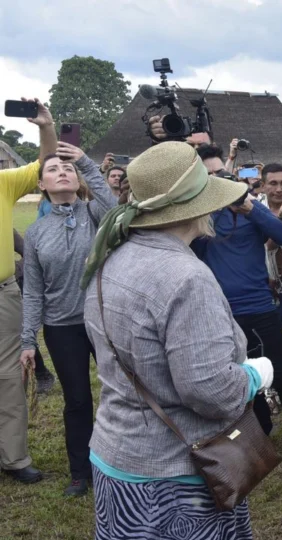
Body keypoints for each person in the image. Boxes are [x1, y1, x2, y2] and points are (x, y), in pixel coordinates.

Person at [80, 141, 274, 539]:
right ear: (198, 207)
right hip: (173, 473)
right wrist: (256, 375)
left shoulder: (111, 256)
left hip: (116, 454)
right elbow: (210, 391)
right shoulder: (186, 277)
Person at [192, 158, 282, 476]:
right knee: (239, 379)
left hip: (259, 307)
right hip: (222, 312)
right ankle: (259, 432)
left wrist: (251, 207)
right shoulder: (202, 218)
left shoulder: (250, 213)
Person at [20, 142, 118, 496]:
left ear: (78, 180)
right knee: (77, 400)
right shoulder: (35, 233)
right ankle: (81, 472)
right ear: (42, 185)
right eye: (52, 170)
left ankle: (123, 459)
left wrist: (88, 165)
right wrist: (29, 339)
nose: (62, 172)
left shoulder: (95, 213)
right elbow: (33, 291)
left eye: (68, 169)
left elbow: (115, 209)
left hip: (103, 319)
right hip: (61, 328)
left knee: (120, 390)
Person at [1, 98, 56, 486]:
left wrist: (45, 126)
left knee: (9, 377)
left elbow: (45, 164)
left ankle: (14, 457)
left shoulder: (2, 183)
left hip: (4, 294)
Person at [12, 230, 54, 394]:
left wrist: (15, 270)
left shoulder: (4, 227)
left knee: (22, 333)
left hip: (10, 288)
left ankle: (42, 374)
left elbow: (27, 253)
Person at [259, 163, 282, 321]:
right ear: (262, 186)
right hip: (264, 287)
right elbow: (267, 245)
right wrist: (279, 219)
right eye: (273, 183)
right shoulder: (254, 212)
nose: (279, 189)